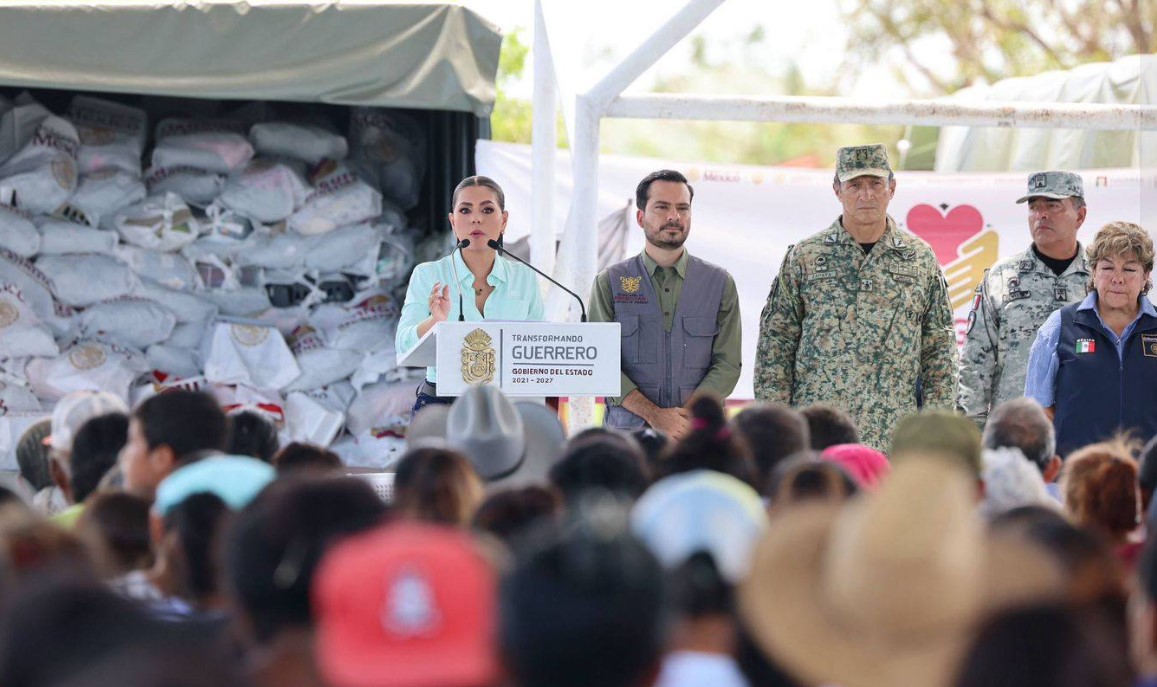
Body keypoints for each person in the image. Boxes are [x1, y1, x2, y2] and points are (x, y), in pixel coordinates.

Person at [753, 144, 958, 452]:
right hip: (818, 435)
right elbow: (776, 344)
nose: (866, 195)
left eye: (875, 184)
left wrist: (936, 427)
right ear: (837, 190)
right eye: (855, 185)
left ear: (891, 188)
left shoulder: (918, 259)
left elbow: (939, 349)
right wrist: (778, 426)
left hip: (893, 435)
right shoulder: (806, 257)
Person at [589, 169, 741, 439]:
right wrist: (655, 416)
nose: (674, 216)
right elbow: (601, 364)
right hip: (628, 438)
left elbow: (727, 364)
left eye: (683, 208)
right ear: (640, 217)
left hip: (698, 437)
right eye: (662, 207)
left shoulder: (719, 283)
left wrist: (684, 420)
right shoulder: (610, 282)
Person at [395, 175, 545, 416]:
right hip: (442, 403)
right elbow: (402, 345)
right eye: (465, 210)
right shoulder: (427, 274)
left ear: (504, 220)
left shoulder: (524, 278)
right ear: (453, 222)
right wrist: (435, 321)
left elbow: (540, 348)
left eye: (487, 209)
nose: (476, 218)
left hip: (507, 403)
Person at [958, 171, 1091, 427]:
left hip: (1082, 428)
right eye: (1034, 206)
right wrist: (971, 431)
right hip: (1015, 429)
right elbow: (976, 360)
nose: (1041, 214)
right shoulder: (1002, 277)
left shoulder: (1101, 277)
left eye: (1053, 205)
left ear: (1080, 216)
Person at [1025, 221, 1157, 457]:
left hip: (1147, 482)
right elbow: (1037, 407)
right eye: (1107, 268)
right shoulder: (1060, 325)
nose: (1118, 279)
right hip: (1074, 481)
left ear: (1146, 276)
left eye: (1129, 269)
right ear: (1093, 272)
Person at [117, 390, 228, 501]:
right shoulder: (236, 510)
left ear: (162, 458)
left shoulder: (162, 515)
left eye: (132, 441)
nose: (123, 455)